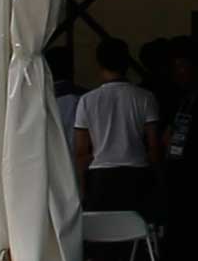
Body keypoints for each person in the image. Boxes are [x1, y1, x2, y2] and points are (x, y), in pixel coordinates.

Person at [68, 44, 168, 218]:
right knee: (138, 230)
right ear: (127, 64)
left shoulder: (87, 101)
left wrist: (83, 190)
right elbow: (154, 148)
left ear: (99, 65)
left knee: (104, 231)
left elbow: (81, 152)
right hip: (137, 175)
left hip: (101, 178)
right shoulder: (145, 97)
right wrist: (160, 181)